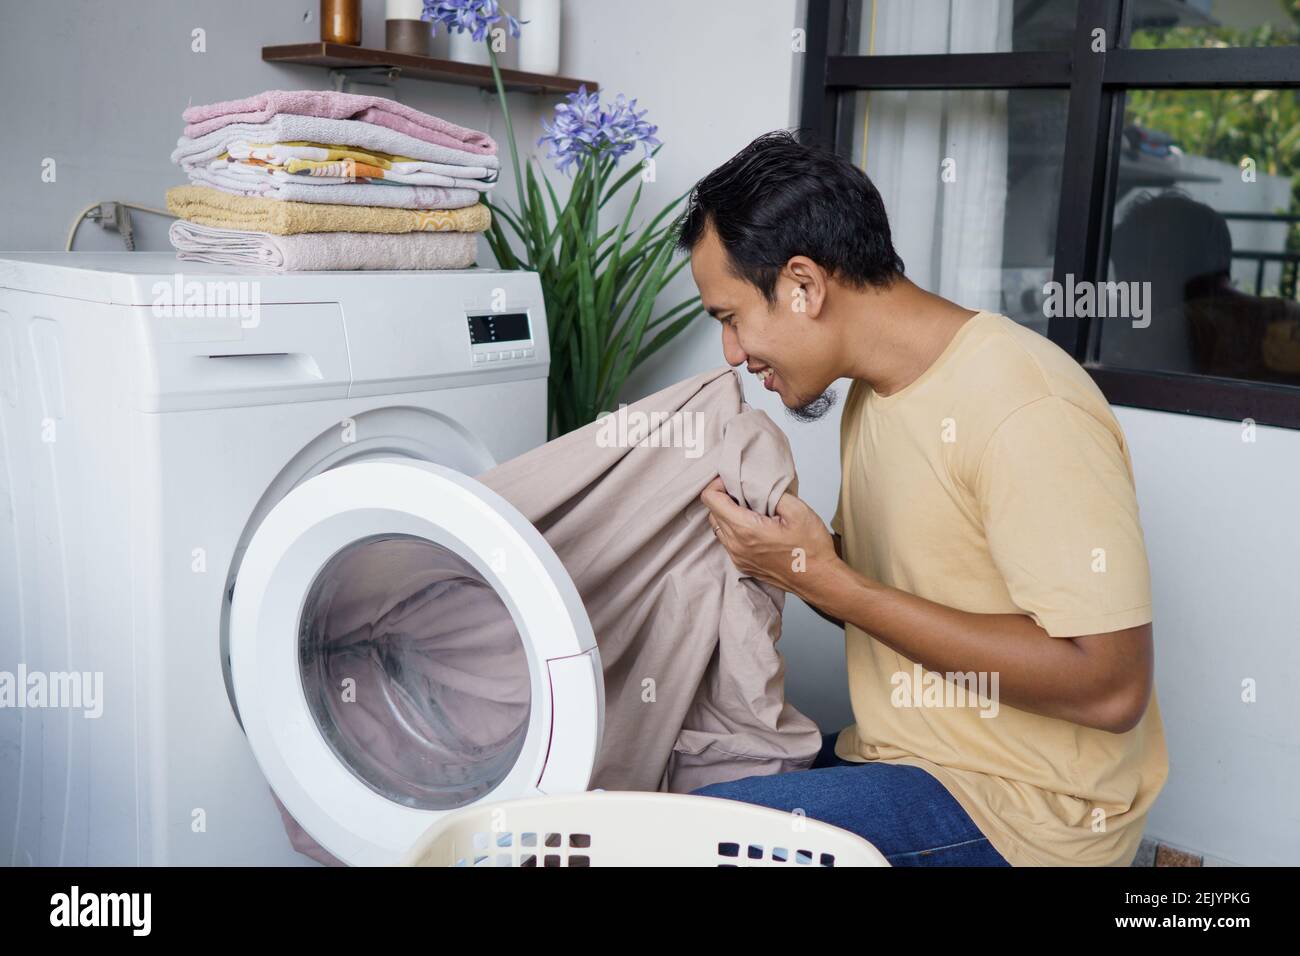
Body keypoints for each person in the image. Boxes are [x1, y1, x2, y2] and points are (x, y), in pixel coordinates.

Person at [678, 130, 1168, 867]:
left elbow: (1110, 687)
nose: (734, 355)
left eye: (730, 317)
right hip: (906, 760)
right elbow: (894, 595)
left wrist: (823, 576)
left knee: (688, 841)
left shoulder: (1025, 406)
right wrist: (794, 559)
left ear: (804, 286)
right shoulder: (876, 395)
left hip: (1026, 809)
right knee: (673, 776)